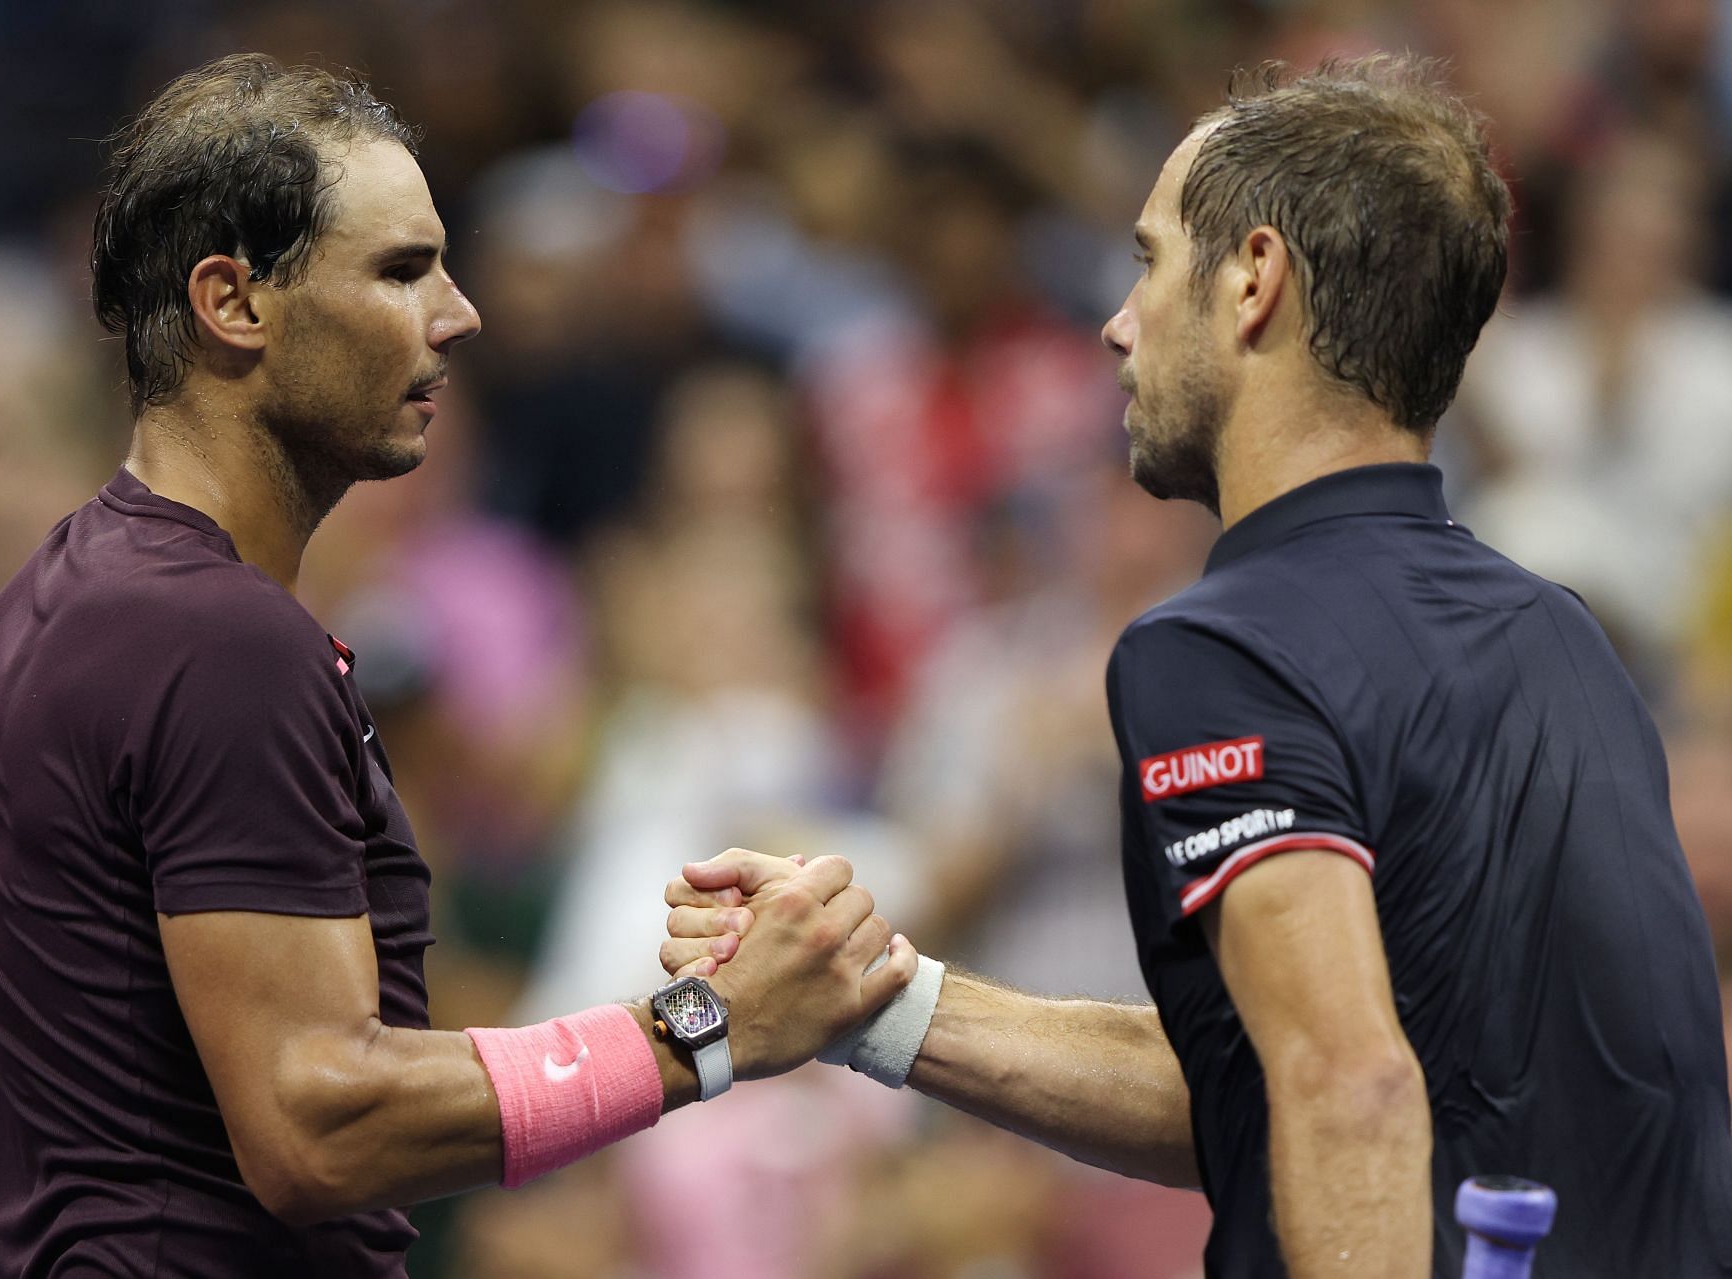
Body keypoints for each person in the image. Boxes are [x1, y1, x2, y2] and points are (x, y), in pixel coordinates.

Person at [666, 56, 1732, 1279]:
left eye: (1150, 259)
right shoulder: (1567, 636)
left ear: (1253, 282)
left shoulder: (1223, 647)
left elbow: (1349, 1088)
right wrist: (874, 999)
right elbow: (1276, 1088)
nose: (1119, 324)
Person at [0, 54, 916, 1279]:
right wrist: (706, 1029)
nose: (460, 314)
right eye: (401, 272)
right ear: (233, 302)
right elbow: (320, 1125)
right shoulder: (214, 639)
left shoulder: (54, 603)